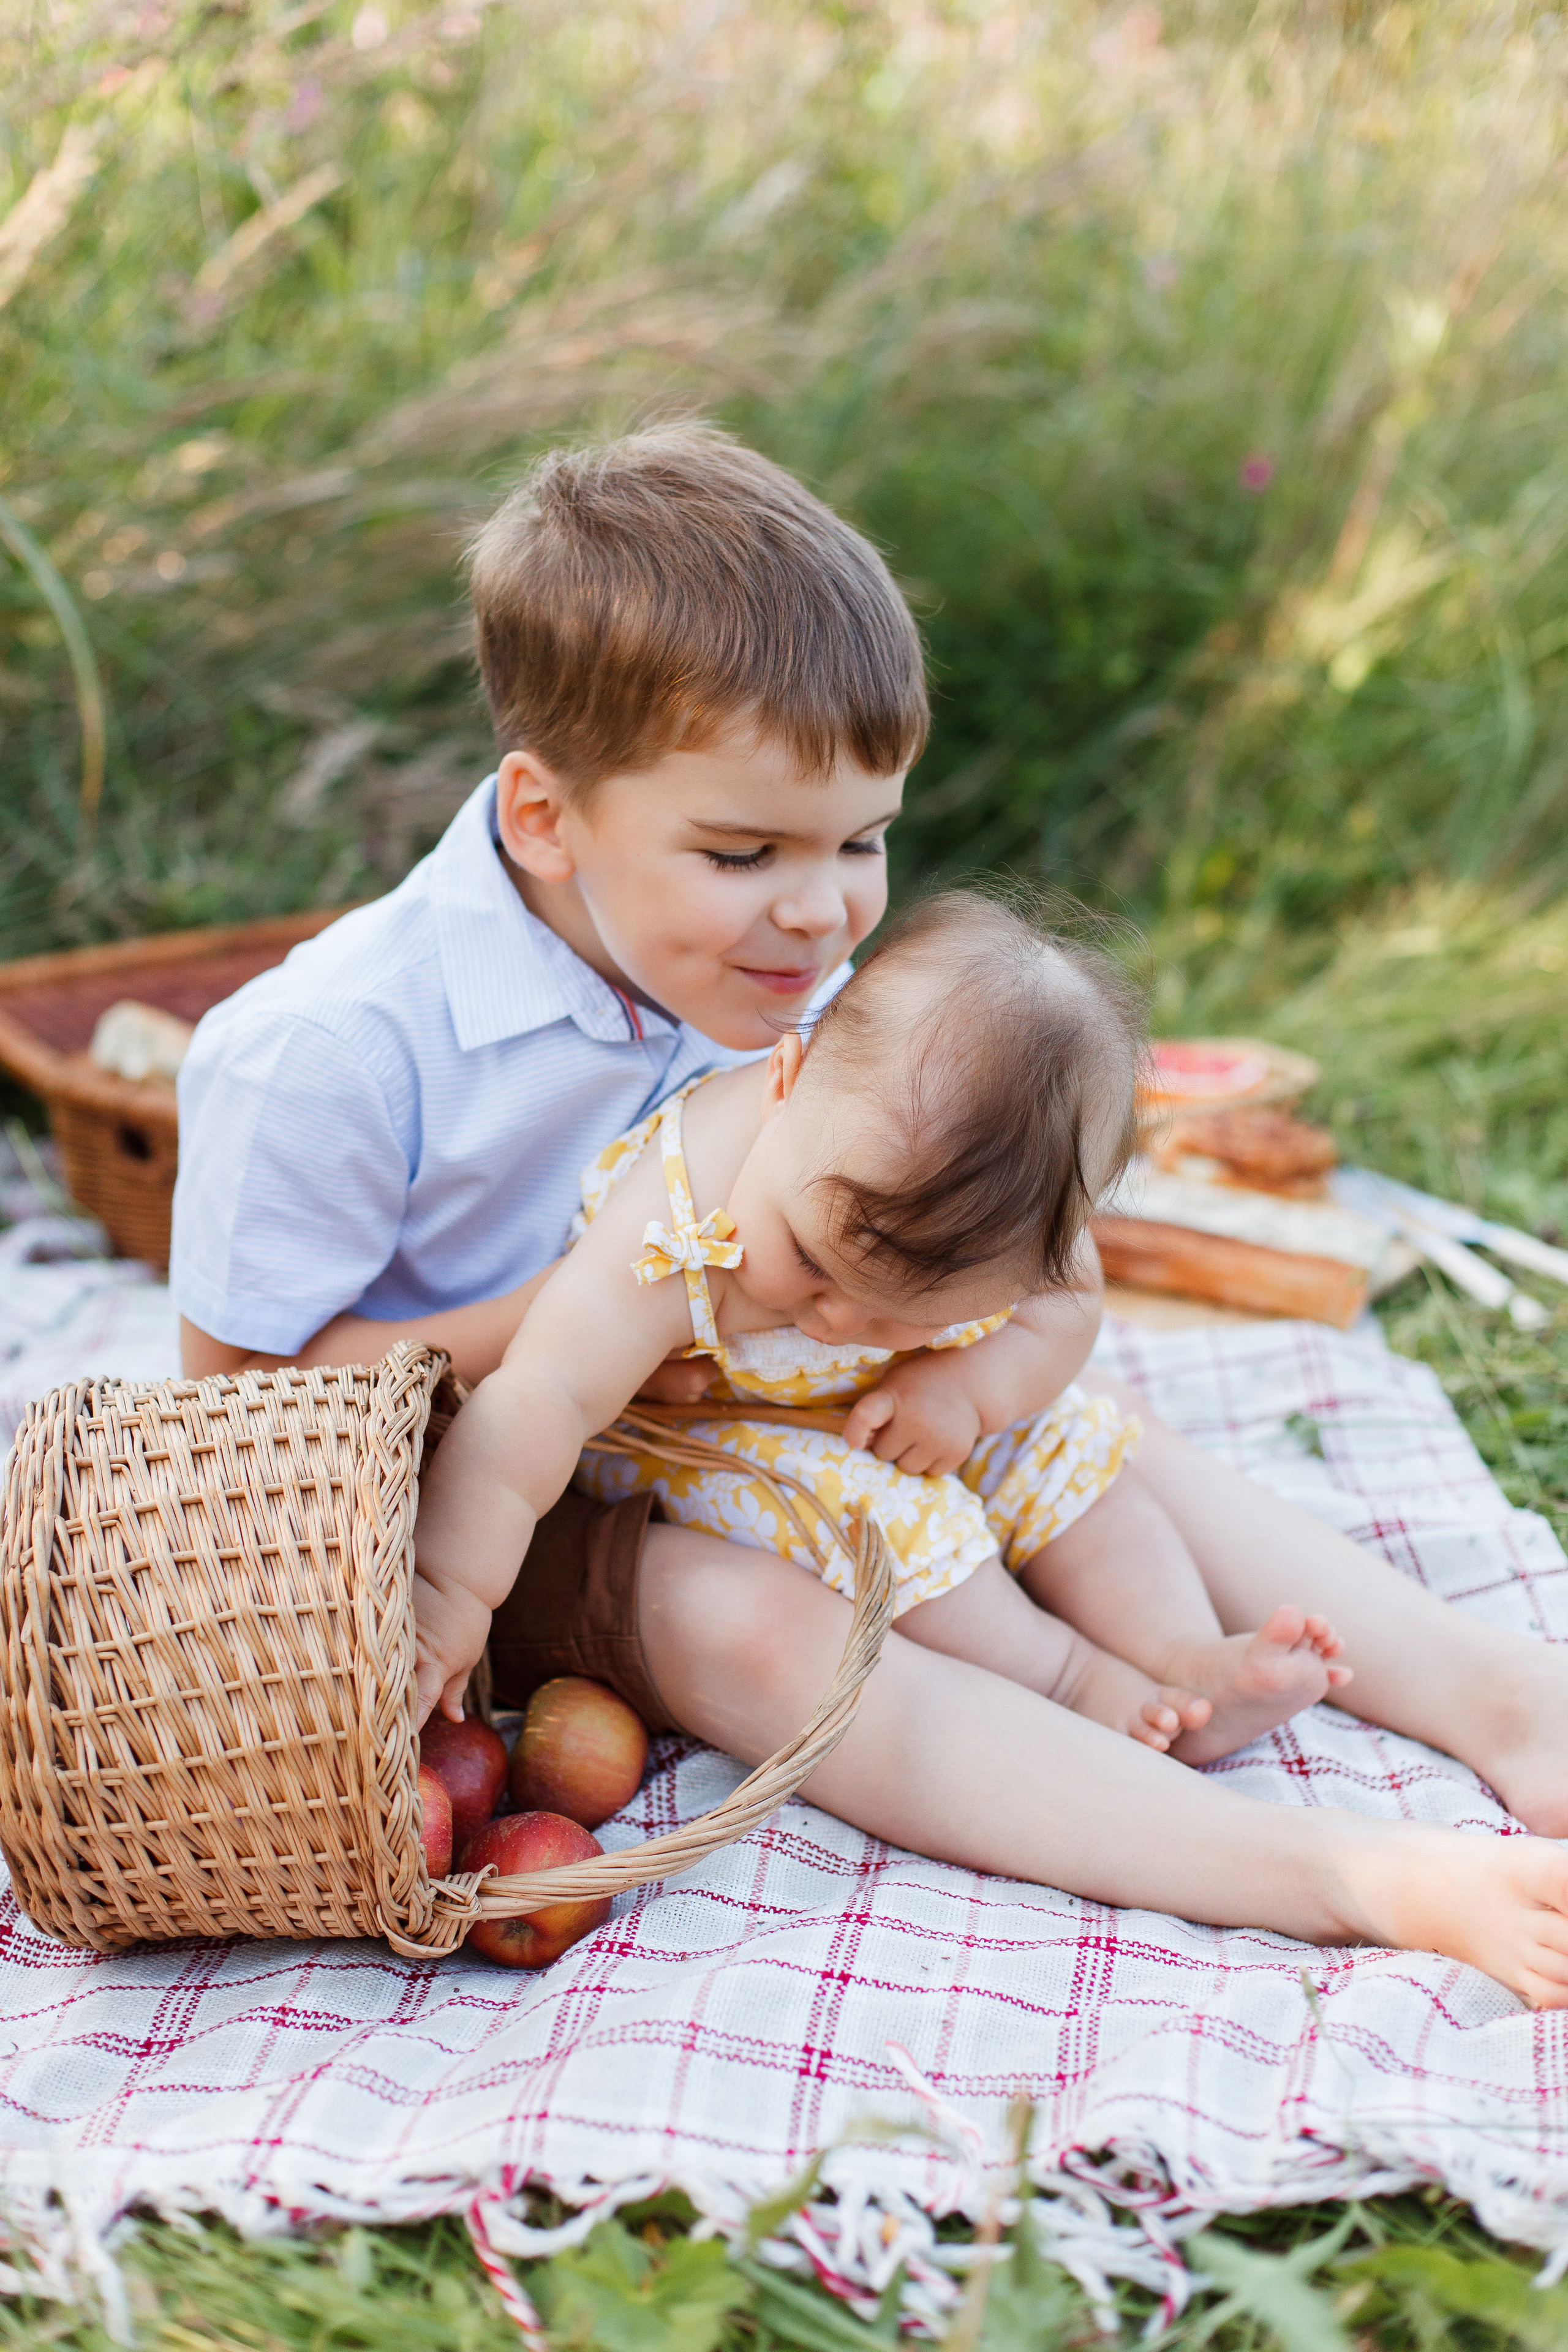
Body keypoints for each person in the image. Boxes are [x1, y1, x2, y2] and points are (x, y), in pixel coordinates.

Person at [173, 424, 1568, 2008]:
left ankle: (1499, 1698)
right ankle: (1344, 1875)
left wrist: (950, 1349)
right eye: (743, 851)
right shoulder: (327, 1052)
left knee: (1084, 1436)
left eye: (863, 841)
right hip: (478, 1499)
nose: (822, 909)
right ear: (548, 818)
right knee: (763, 1633)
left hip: (767, 1400)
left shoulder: (774, 952)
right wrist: (617, 1314)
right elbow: (237, 1414)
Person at [416, 889, 1351, 1765]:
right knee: (883, 1519)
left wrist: (972, 1389)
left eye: (908, 1315)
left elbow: (1069, 1306)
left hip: (910, 1409)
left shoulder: (1015, 1231)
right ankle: (1071, 1679)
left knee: (1073, 1455)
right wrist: (451, 1593)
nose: (837, 1322)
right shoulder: (678, 1219)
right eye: (810, 1261)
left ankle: (1182, 1650)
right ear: (786, 1079)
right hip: (716, 1427)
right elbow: (542, 1397)